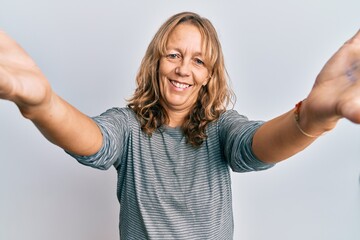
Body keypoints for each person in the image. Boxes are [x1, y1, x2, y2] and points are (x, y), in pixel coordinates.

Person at [0, 11, 359, 239]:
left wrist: (310, 118)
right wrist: (42, 105)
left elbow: (258, 145)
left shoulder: (222, 128)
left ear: (207, 76)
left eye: (198, 61)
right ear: (156, 62)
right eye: (173, 55)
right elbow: (93, 141)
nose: (183, 69)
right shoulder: (127, 127)